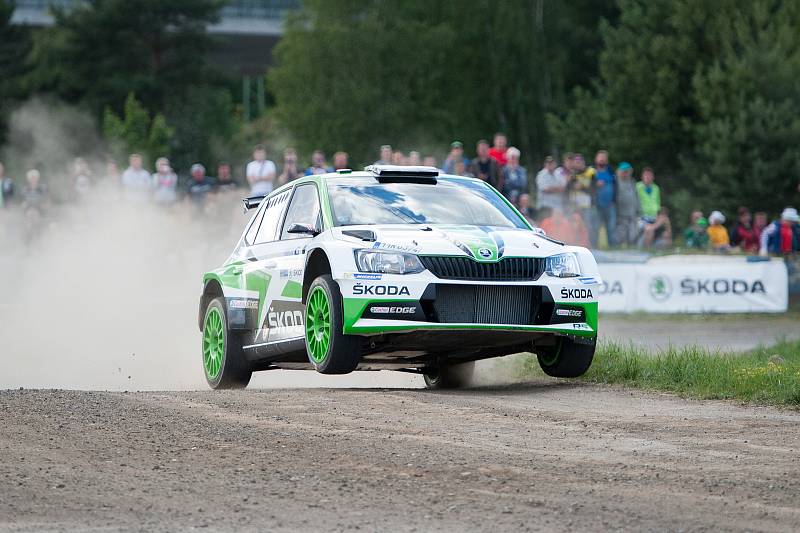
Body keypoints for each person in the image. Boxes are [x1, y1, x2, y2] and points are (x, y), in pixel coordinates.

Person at [567, 153, 596, 246]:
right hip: (575, 205)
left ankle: (591, 244)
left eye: (579, 162)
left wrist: (582, 187)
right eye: (576, 162)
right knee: (574, 225)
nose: (577, 164)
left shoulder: (591, 172)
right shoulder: (572, 173)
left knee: (588, 225)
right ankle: (576, 243)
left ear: (583, 162)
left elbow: (594, 189)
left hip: (587, 204)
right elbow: (567, 188)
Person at [613, 162, 641, 246]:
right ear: (619, 171)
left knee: (632, 232)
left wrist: (638, 208)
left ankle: (631, 247)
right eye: (623, 171)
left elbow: (636, 196)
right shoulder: (616, 181)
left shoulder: (632, 181)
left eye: (627, 171)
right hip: (620, 213)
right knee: (621, 232)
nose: (625, 173)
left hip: (632, 212)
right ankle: (620, 246)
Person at [593, 150, 616, 246]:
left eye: (604, 158)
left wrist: (614, 200)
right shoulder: (592, 172)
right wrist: (595, 184)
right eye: (600, 157)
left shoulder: (611, 171)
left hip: (610, 204)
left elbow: (615, 186)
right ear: (596, 159)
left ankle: (613, 246)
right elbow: (587, 185)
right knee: (595, 226)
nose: (602, 160)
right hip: (596, 204)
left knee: (611, 227)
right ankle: (594, 246)